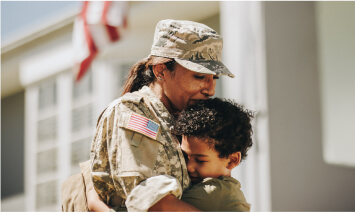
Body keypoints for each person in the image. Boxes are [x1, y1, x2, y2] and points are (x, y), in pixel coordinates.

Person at [61, 19, 234, 212]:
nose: (210, 89)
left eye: (214, 78)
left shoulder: (187, 119)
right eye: (199, 76)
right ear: (161, 70)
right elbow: (156, 205)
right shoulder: (132, 114)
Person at [88, 98, 254, 211]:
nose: (189, 166)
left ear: (232, 160)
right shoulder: (224, 190)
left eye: (200, 160)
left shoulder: (212, 193)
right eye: (186, 156)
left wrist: (95, 200)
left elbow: (156, 207)